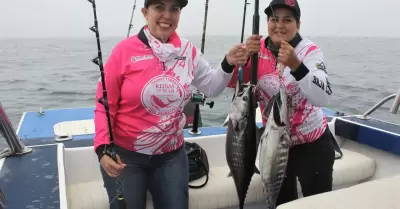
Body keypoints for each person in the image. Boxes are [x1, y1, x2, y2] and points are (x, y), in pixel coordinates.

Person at [93, 0, 248, 208]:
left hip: (171, 156)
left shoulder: (187, 51)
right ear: (145, 12)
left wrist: (228, 61)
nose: (167, 15)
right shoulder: (123, 51)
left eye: (174, 9)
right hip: (126, 156)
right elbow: (105, 103)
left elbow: (211, 87)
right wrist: (102, 149)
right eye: (159, 7)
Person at [227, 0, 336, 206]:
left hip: (312, 145)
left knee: (319, 203)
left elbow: (323, 97)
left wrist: (296, 65)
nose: (280, 25)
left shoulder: (309, 51)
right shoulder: (255, 49)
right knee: (280, 202)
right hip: (273, 144)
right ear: (267, 22)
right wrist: (241, 59)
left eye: (287, 20)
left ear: (298, 24)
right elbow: (233, 85)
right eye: (274, 19)